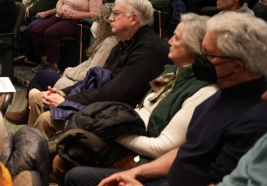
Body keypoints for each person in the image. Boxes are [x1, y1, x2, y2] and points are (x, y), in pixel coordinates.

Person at [64, 12, 267, 186]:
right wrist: (135, 173)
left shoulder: (253, 120)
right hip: (166, 176)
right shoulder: (224, 91)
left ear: (237, 66)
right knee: (77, 176)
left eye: (208, 55)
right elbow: (186, 151)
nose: (199, 58)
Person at [29, 0, 170, 139]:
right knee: (40, 98)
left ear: (133, 19)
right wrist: (64, 93)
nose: (110, 18)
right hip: (107, 104)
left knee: (46, 119)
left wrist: (68, 100)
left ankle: (44, 157)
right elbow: (96, 80)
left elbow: (115, 93)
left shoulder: (148, 50)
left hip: (121, 116)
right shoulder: (124, 44)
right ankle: (30, 153)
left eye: (116, 13)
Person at [30, 0, 102, 73]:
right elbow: (60, 0)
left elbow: (94, 14)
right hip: (60, 16)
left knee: (51, 33)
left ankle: (54, 65)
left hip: (76, 21)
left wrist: (72, 15)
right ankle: (44, 62)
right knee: (36, 30)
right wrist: (59, 10)